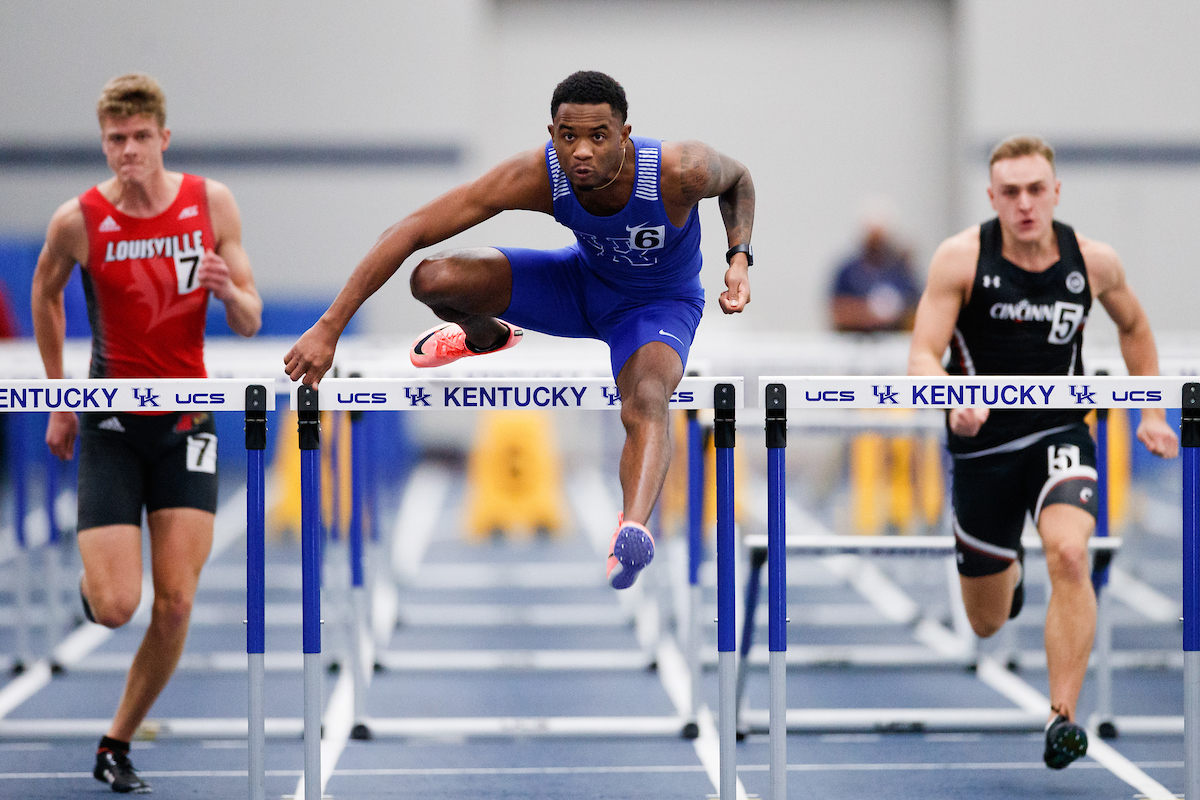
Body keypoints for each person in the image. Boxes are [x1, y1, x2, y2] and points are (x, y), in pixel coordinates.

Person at [285, 71, 754, 589]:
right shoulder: (540, 174)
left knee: (646, 397)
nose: (581, 152)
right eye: (567, 136)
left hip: (657, 306)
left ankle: (633, 531)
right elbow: (411, 230)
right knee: (433, 278)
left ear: (625, 135)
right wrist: (329, 327)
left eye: (599, 136)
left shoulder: (679, 170)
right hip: (578, 286)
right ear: (551, 134)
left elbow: (739, 181)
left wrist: (738, 259)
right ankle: (482, 336)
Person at [907, 135, 1178, 771]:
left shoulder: (1094, 260)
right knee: (987, 623)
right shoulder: (961, 258)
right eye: (1011, 193)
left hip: (1061, 432)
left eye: (1036, 190)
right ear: (993, 197)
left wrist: (1154, 412)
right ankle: (1009, 577)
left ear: (1056, 191)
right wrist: (948, 393)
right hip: (984, 450)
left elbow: (1134, 327)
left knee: (1071, 552)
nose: (1025, 204)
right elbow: (922, 352)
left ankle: (1062, 718)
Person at [31, 73, 262, 793]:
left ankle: (115, 741)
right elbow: (45, 292)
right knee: (114, 606)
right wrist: (58, 394)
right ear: (103, 142)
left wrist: (229, 290)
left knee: (176, 603)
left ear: (164, 138)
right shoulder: (79, 219)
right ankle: (94, 585)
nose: (127, 151)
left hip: (187, 422)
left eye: (139, 138)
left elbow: (250, 318)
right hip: (110, 422)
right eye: (114, 140)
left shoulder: (209, 203)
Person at [830, 202, 920, 332]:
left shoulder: (901, 270)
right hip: (856, 341)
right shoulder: (849, 271)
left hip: (895, 342)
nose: (876, 245)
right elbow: (836, 310)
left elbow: (918, 306)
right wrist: (868, 314)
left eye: (880, 238)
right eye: (872, 239)